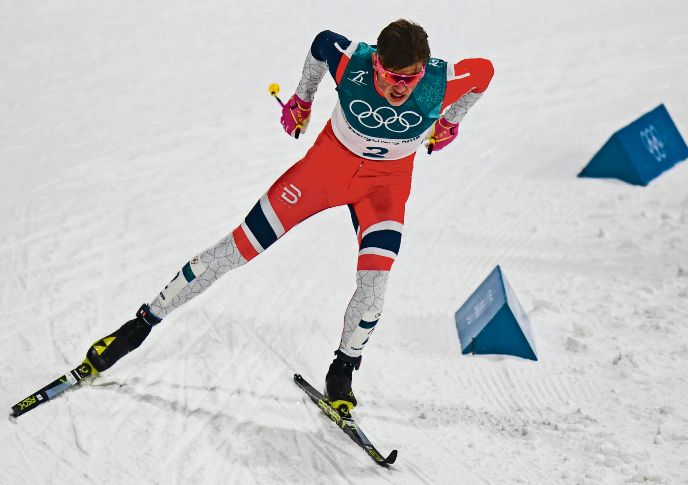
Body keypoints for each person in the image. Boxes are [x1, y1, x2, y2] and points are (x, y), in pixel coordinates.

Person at [83, 19, 494, 416]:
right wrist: (302, 99)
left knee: (374, 286)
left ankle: (343, 371)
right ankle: (138, 326)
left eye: (410, 79)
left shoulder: (441, 81)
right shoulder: (352, 60)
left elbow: (484, 74)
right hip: (323, 175)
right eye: (391, 76)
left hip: (383, 190)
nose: (399, 88)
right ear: (376, 63)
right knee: (236, 250)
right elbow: (321, 42)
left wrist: (451, 121)